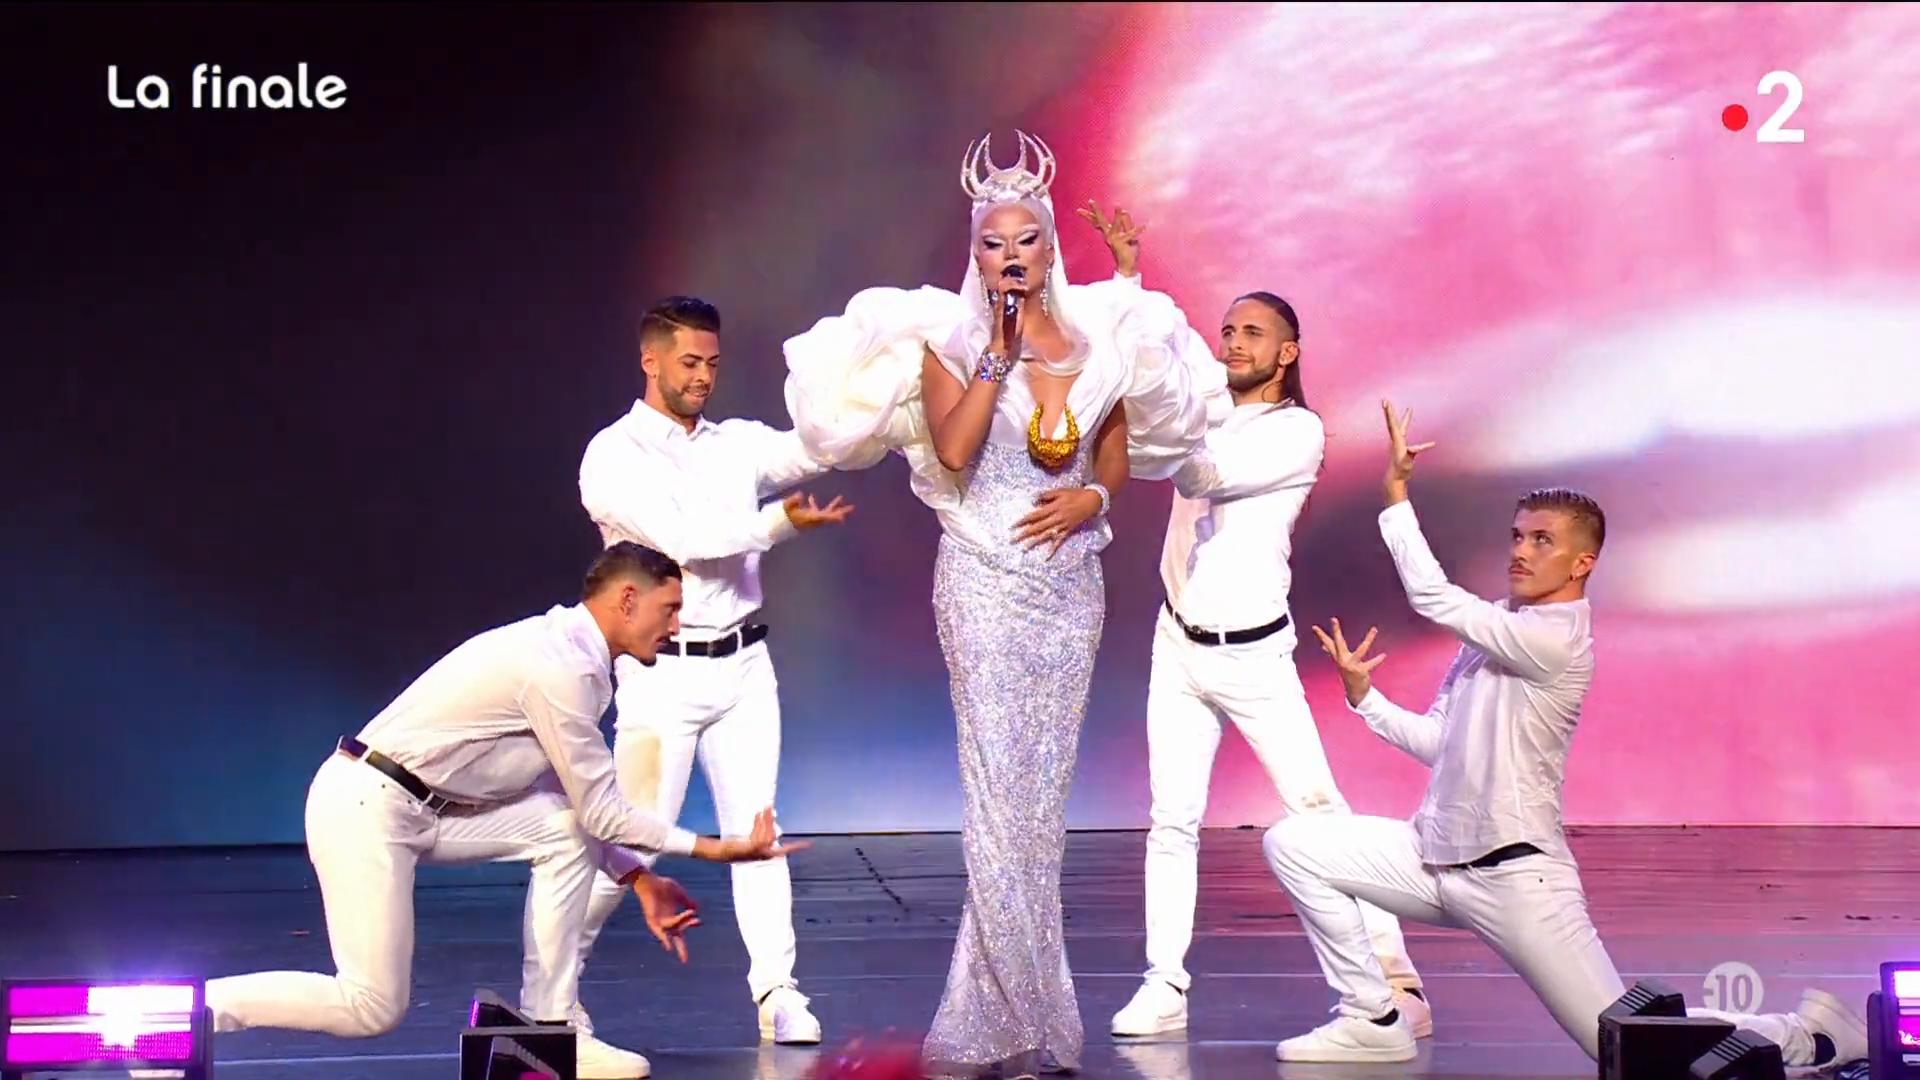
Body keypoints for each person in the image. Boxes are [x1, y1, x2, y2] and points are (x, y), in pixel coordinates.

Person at [780, 131, 1225, 1078]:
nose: (1011, 255)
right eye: (993, 241)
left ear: (1051, 247)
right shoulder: (950, 344)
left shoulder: (1099, 344)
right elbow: (951, 453)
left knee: (1041, 805)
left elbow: (1110, 447)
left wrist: (1096, 498)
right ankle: (1026, 1019)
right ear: (973, 252)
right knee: (994, 799)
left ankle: (1004, 1021)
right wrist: (996, 357)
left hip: (1070, 588)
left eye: (1026, 240)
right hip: (983, 579)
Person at [1260, 402, 1869, 1068]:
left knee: (1624, 1044)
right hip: (1432, 860)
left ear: (1582, 563)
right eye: (1518, 536)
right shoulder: (1498, 624)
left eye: (1542, 541)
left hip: (1518, 881)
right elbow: (1442, 744)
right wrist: (1365, 699)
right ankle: (1371, 1019)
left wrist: (1396, 497)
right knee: (1296, 844)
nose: (1521, 550)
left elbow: (1432, 598)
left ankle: (1806, 1034)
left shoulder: (1555, 641)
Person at [202, 543, 805, 1080]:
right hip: (366, 806)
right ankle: (191, 1012)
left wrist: (639, 876)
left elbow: (577, 807)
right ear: (627, 600)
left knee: (563, 830)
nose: (676, 627)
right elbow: (605, 809)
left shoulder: (576, 660)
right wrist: (716, 849)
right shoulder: (560, 670)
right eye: (669, 609)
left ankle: (551, 1030)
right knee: (370, 1006)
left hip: (427, 809)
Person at [1073, 207, 1428, 1041]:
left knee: (1315, 805)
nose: (1233, 343)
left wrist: (1150, 426)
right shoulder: (1205, 397)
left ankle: (1391, 970)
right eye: (1229, 330)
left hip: (1257, 655)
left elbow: (1204, 469)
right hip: (1178, 644)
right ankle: (1164, 985)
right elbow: (1161, 347)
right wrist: (1128, 275)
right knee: (1172, 818)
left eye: (1252, 333)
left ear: (1287, 352)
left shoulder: (1298, 432)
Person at [572, 296, 850, 1045]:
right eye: (690, 363)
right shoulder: (614, 454)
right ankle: (556, 990)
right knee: (631, 837)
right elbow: (685, 544)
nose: (703, 377)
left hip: (744, 665)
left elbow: (812, 450)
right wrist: (779, 523)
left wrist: (874, 400)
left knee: (758, 827)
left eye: (712, 364)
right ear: (650, 359)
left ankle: (777, 992)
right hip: (663, 673)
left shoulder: (733, 442)